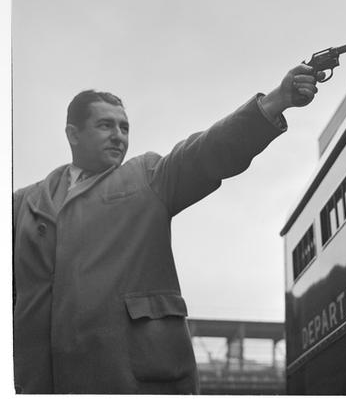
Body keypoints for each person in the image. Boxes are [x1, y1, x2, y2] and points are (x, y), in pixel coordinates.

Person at [12, 64, 323, 394]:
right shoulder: (22, 205)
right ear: (73, 134)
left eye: (124, 127)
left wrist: (275, 102)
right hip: (38, 386)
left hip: (132, 382)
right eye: (105, 125)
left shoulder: (145, 175)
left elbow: (207, 152)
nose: (119, 136)